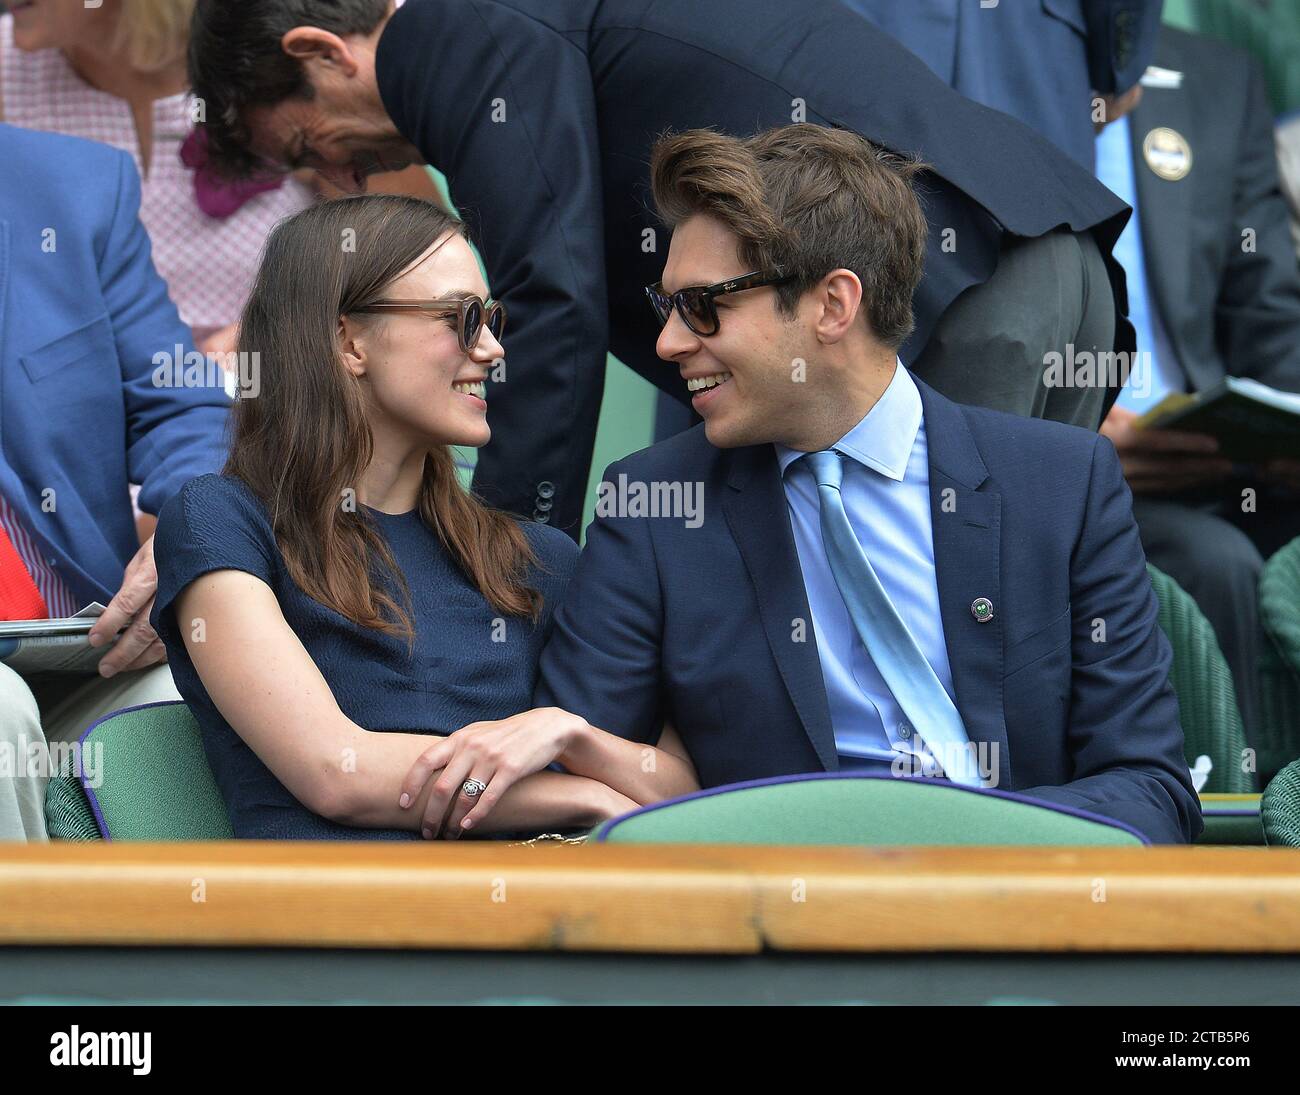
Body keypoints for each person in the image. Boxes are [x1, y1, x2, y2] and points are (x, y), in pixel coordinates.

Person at [187, 0, 1138, 540]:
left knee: (949, 669)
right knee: (1009, 634)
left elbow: (549, 301)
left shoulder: (449, 29)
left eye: (311, 144)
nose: (344, 176)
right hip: (1042, 259)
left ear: (318, 50)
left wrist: (504, 555)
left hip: (941, 295)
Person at [527, 124, 1201, 845]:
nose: (668, 344)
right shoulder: (655, 508)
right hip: (783, 926)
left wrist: (982, 857)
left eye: (704, 307)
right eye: (669, 308)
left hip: (1024, 919)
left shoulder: (1062, 484)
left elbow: (1151, 787)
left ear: (832, 305)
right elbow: (573, 773)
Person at [151, 194, 700, 841]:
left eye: (492, 318)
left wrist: (574, 737)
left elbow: (676, 786)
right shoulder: (219, 520)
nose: (493, 349)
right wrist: (582, 796)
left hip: (527, 918)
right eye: (461, 319)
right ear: (348, 339)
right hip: (327, 921)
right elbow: (334, 771)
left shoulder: (538, 556)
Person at [0, 124, 230, 841]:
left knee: (203, 685)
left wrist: (191, 533)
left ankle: (203, 955)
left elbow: (184, 400)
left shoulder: (73, 185)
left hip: (88, 639)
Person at [1093, 25, 1300, 767]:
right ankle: (1238, 830)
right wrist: (1076, 438)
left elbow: (1269, 313)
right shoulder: (988, 58)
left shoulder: (1215, 74)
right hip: (1077, 450)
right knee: (1217, 561)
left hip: (1213, 448)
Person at [0, 0, 313, 356]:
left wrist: (275, 329)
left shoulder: (278, 56)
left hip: (280, 386)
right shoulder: (7, 76)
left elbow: (372, 251)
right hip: (96, 398)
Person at [841, 0, 1162, 169]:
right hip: (1033, 50)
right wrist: (1117, 70)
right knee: (1033, 263)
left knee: (848, 242)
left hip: (850, 31)